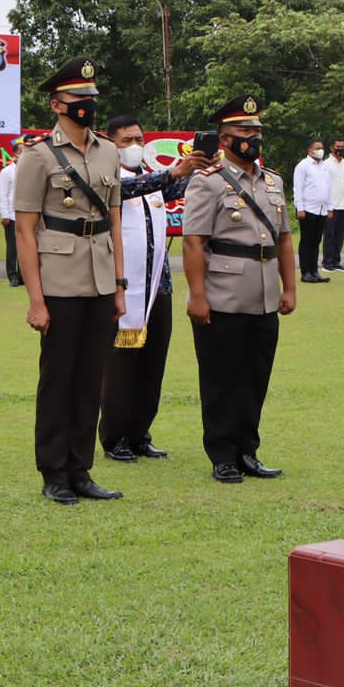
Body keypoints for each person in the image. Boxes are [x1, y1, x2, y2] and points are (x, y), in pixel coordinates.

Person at [14, 57, 126, 505]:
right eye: (79, 98)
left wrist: (119, 285)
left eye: (92, 98)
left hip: (100, 277)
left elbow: (114, 216)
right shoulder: (38, 156)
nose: (88, 105)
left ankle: (81, 469)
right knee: (58, 378)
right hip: (58, 279)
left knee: (90, 378)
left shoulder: (109, 152)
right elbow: (25, 229)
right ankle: (53, 472)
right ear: (58, 104)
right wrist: (35, 299)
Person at [183, 94, 296, 483]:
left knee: (255, 377)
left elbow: (284, 240)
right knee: (221, 379)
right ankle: (223, 455)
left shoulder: (273, 182)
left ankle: (248, 450)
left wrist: (290, 289)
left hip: (264, 293)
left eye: (257, 130)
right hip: (222, 293)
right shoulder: (207, 182)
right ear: (224, 138)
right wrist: (197, 296)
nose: (253, 136)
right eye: (244, 131)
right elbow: (193, 242)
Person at [100, 115, 214, 462]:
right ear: (110, 143)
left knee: (153, 362)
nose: (134, 146)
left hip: (158, 281)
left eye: (139, 139)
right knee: (122, 362)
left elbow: (177, 188)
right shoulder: (107, 179)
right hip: (123, 284)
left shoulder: (150, 177)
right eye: (126, 141)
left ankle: (139, 433)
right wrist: (171, 174)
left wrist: (196, 167)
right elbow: (130, 190)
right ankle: (114, 435)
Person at [293, 139, 332, 284]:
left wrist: (330, 207)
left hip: (321, 209)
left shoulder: (325, 166)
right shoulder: (303, 166)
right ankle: (306, 272)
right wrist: (300, 208)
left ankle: (314, 270)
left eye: (322, 148)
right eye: (317, 148)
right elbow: (298, 188)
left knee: (316, 241)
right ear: (310, 150)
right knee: (306, 241)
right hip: (308, 209)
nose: (321, 150)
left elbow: (328, 187)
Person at [320, 139, 344, 272]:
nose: (340, 149)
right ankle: (327, 263)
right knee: (329, 235)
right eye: (338, 147)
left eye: (342, 147)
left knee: (340, 235)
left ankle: (336, 261)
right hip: (331, 206)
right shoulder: (325, 164)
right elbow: (323, 187)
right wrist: (327, 206)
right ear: (331, 148)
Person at [0, 147, 23, 286]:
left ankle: (23, 275)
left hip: (27, 214)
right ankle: (12, 275)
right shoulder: (7, 172)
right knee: (13, 247)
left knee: (27, 246)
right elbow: (3, 194)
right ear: (15, 154)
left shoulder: (30, 170)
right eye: (21, 151)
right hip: (12, 214)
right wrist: (4, 214)